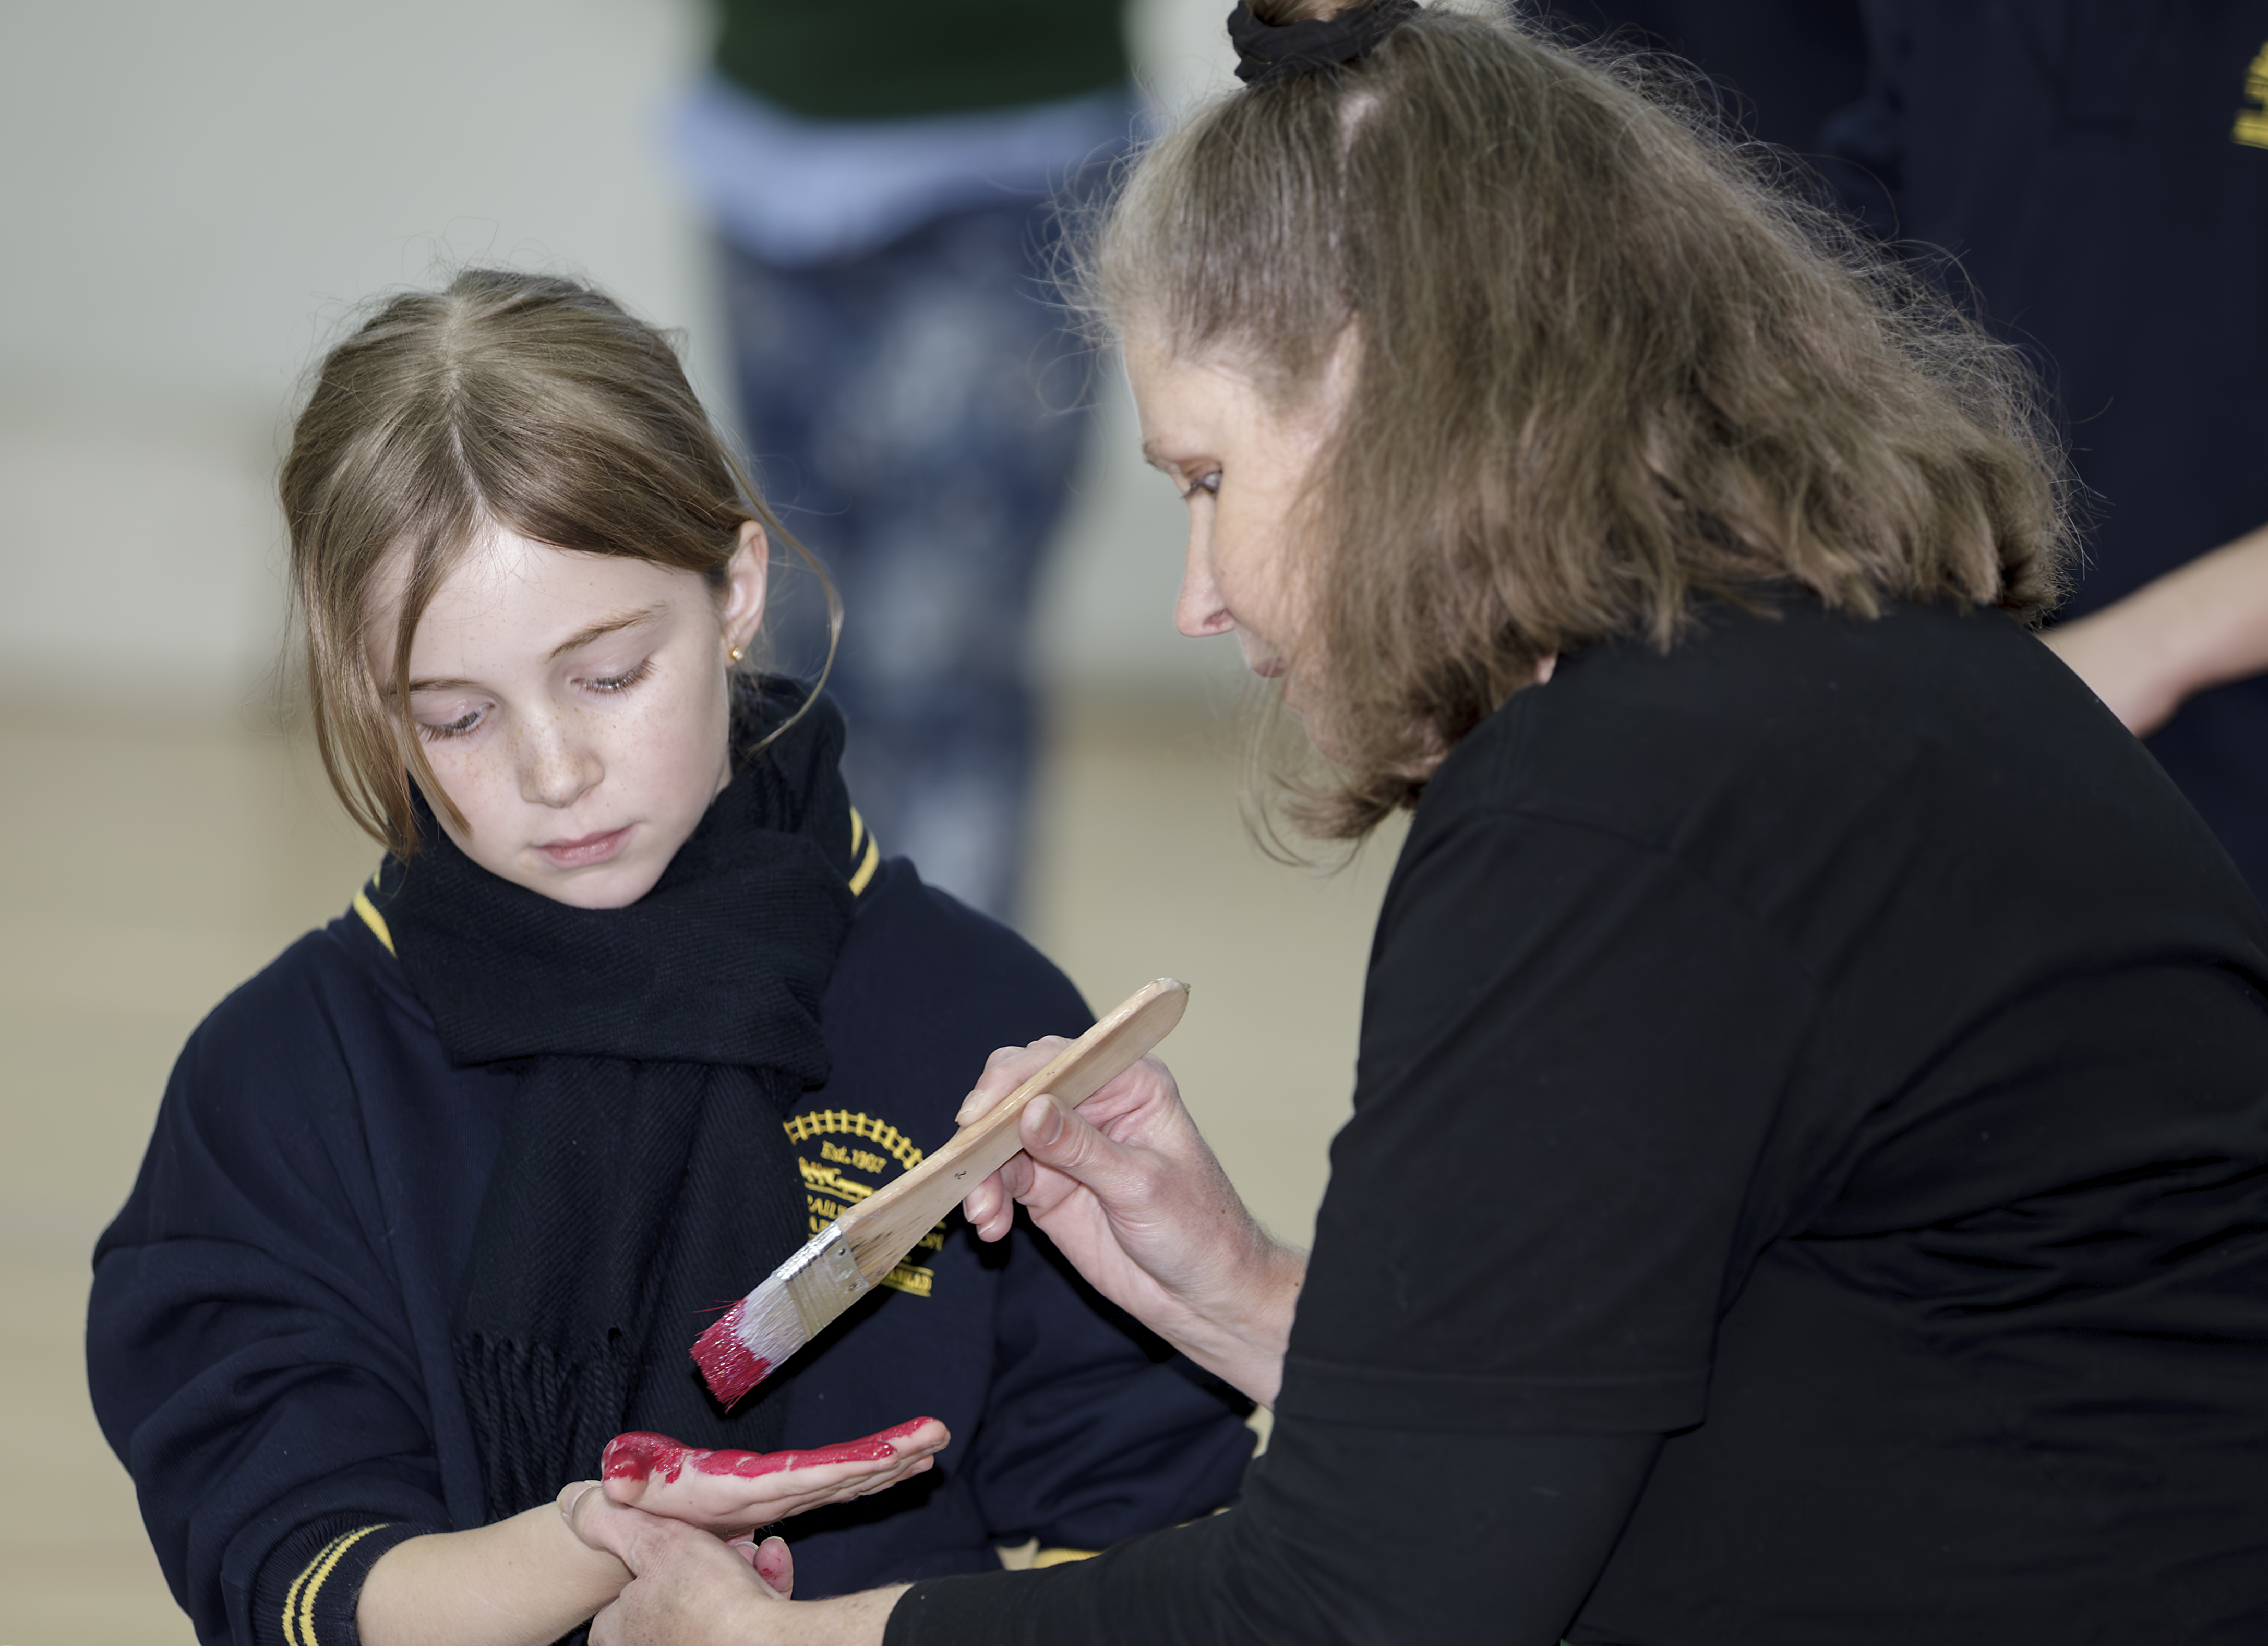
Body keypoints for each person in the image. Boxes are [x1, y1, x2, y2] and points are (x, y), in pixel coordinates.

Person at [559, 5, 2268, 1643]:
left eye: (1206, 482)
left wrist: (785, 1641)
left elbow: (1352, 1607)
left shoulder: (1611, 811)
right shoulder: (1804, 693)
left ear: (1388, 395)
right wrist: (1231, 1283)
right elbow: (1554, 1461)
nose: (1197, 598)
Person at [84, 270, 1256, 1646]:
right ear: (367, 695)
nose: (554, 770)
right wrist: (597, 1540)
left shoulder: (977, 1020)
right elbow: (293, 1570)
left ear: (737, 589)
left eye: (607, 676)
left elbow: (1163, 1524)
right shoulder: (277, 1082)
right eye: (457, 716)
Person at [671, 0, 1138, 921]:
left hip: (1012, 152)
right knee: (793, 646)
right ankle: (808, 981)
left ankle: (950, 998)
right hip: (770, 149)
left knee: (944, 661)